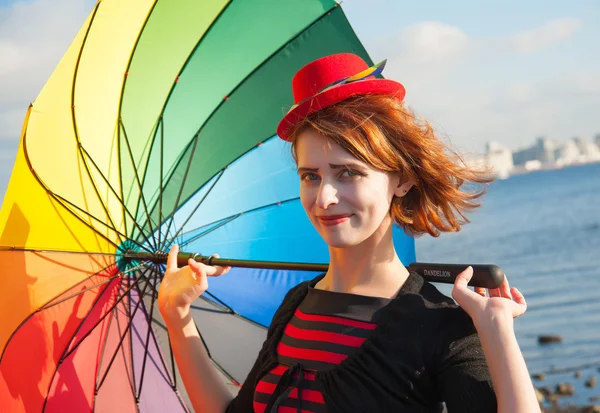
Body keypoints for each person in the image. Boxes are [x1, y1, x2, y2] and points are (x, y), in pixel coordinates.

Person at [158, 53, 540, 413]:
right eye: (311, 176)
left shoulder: (441, 326)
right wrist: (177, 316)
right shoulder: (296, 305)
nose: (324, 197)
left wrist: (496, 333)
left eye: (349, 173)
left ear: (402, 178)